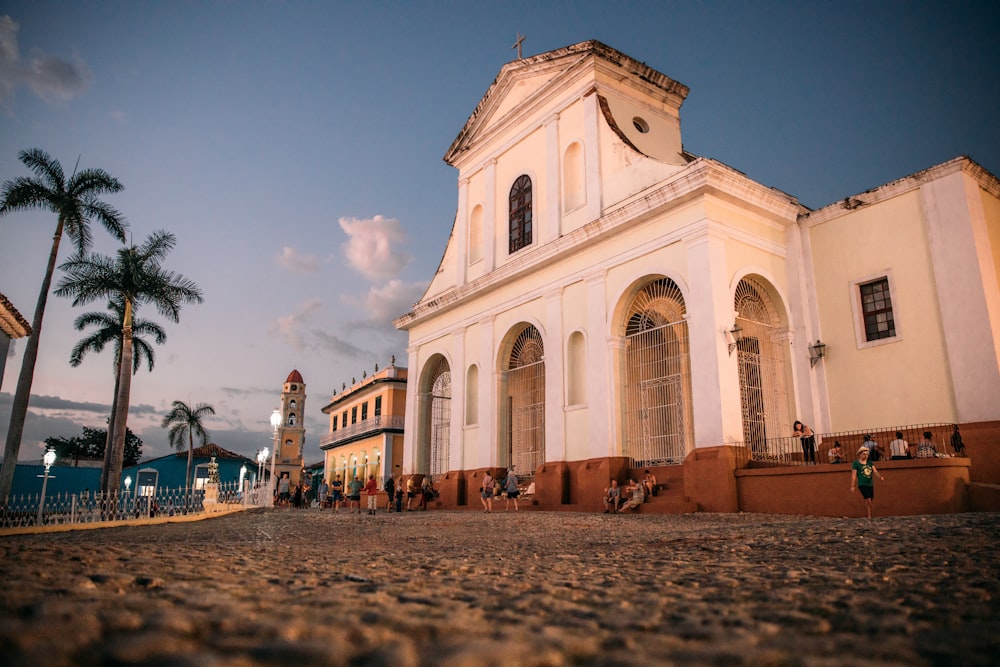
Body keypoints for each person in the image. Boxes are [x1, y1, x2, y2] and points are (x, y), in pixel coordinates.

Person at [850, 446, 885, 519]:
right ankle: (868, 515)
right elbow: (853, 475)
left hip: (870, 484)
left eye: (867, 454)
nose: (866, 455)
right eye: (864, 454)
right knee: (868, 499)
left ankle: (869, 515)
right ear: (860, 454)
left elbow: (875, 471)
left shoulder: (870, 463)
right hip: (862, 484)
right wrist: (852, 485)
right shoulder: (856, 463)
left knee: (869, 500)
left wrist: (880, 477)